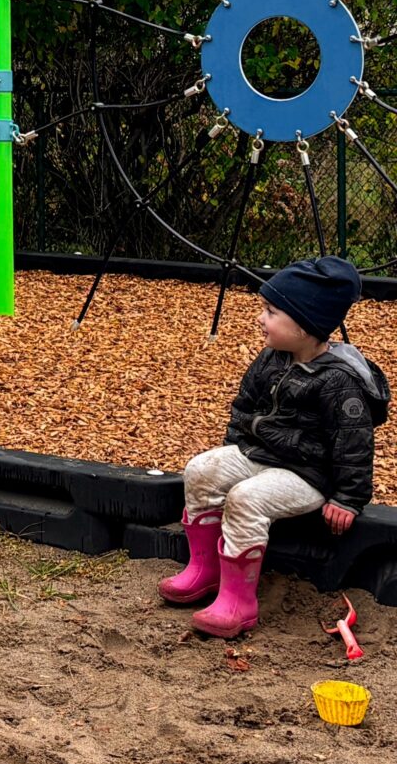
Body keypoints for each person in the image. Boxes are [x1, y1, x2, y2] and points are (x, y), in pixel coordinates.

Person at [160, 255, 388, 637]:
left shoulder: (339, 382)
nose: (260, 319)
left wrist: (348, 498)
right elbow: (244, 405)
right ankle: (205, 571)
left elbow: (354, 444)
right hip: (263, 455)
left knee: (246, 499)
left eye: (270, 312)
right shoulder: (272, 359)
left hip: (308, 475)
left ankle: (238, 602)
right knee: (201, 470)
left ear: (304, 324)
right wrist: (232, 450)